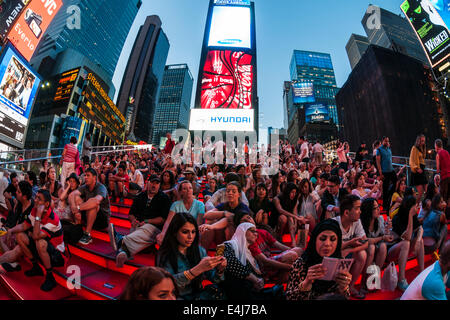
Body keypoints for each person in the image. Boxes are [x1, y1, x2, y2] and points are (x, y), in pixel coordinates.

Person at [0, 189, 67, 291]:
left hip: (57, 256)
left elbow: (36, 236)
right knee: (20, 236)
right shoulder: (35, 211)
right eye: (35, 197)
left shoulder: (54, 219)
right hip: (42, 250)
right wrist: (11, 231)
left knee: (40, 242)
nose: (35, 200)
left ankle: (50, 277)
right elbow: (24, 225)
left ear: (47, 204)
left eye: (39, 199)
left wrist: (38, 216)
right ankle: (36, 267)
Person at [156, 213, 226, 300]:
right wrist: (198, 269)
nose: (190, 237)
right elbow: (166, 285)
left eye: (193, 232)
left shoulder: (200, 251)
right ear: (174, 232)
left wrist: (220, 269)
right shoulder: (165, 254)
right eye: (185, 232)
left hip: (198, 296)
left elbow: (215, 279)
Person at [110, 174, 171, 267]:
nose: (154, 185)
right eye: (152, 183)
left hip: (156, 228)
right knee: (136, 227)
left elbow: (163, 219)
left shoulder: (164, 198)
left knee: (145, 227)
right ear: (148, 183)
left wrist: (147, 221)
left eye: (157, 183)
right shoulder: (140, 196)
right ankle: (125, 253)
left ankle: (121, 241)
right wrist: (133, 220)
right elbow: (131, 214)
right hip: (139, 226)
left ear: (159, 185)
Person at [286, 219, 352, 300]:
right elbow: (290, 298)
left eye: (332, 239)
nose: (327, 244)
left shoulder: (340, 263)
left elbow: (345, 297)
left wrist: (344, 287)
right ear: (314, 240)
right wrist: (306, 283)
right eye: (322, 239)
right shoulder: (301, 263)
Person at [234, 211, 301, 283]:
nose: (249, 221)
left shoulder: (262, 232)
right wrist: (290, 267)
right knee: (291, 255)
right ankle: (279, 283)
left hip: (271, 263)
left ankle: (281, 285)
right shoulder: (248, 240)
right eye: (244, 221)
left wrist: (293, 250)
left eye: (249, 218)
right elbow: (265, 261)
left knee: (298, 250)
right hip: (262, 268)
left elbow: (279, 245)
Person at [333, 195, 368, 299]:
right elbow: (330, 249)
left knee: (362, 254)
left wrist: (350, 249)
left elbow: (365, 243)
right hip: (333, 257)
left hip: (347, 254)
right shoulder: (334, 223)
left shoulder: (357, 222)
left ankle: (350, 286)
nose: (360, 211)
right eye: (357, 208)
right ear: (346, 213)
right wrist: (349, 243)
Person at [221, 222, 267, 300]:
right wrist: (254, 279)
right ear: (243, 231)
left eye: (256, 232)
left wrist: (259, 282)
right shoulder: (226, 245)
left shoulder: (250, 253)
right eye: (252, 231)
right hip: (232, 291)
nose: (256, 234)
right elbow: (231, 263)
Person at [200, 181, 251, 249]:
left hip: (239, 238)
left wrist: (212, 226)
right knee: (210, 224)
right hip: (222, 235)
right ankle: (202, 253)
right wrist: (223, 213)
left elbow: (228, 220)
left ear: (239, 194)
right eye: (228, 191)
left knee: (227, 227)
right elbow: (207, 215)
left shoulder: (243, 207)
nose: (230, 193)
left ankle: (230, 254)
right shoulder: (224, 205)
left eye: (233, 191)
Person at [68, 168, 111, 245]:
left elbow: (96, 201)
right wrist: (75, 210)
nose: (85, 177)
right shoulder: (85, 186)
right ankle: (78, 227)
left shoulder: (101, 187)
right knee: (76, 197)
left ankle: (87, 234)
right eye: (85, 175)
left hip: (102, 220)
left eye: (88, 175)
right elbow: (71, 195)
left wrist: (78, 208)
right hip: (89, 216)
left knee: (93, 203)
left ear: (94, 177)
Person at [359, 198, 394, 292]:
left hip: (376, 248)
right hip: (362, 248)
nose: (379, 209)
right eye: (375, 208)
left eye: (378, 207)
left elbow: (385, 236)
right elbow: (365, 241)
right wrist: (382, 238)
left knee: (382, 246)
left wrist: (388, 229)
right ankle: (364, 281)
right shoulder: (360, 222)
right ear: (368, 210)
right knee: (371, 247)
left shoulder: (380, 219)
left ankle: (374, 278)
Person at [391, 196, 425, 291]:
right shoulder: (397, 218)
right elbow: (408, 237)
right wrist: (410, 215)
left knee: (420, 240)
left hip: (404, 250)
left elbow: (420, 228)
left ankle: (422, 273)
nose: (417, 207)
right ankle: (401, 279)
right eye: (415, 205)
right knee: (406, 243)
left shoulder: (413, 217)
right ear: (410, 207)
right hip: (392, 249)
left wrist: (418, 241)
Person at [157, 180, 205, 245]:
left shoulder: (200, 204)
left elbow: (198, 224)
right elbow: (168, 221)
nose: (188, 190)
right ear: (180, 192)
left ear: (192, 190)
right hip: (179, 231)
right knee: (160, 237)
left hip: (193, 232)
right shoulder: (175, 205)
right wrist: (163, 233)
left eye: (190, 188)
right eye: (185, 189)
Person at [376, 137, 397, 214]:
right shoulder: (379, 150)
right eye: (385, 141)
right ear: (382, 141)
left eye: (388, 141)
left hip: (391, 170)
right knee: (385, 188)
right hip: (384, 172)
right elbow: (378, 162)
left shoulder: (388, 149)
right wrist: (380, 173)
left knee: (396, 182)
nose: (387, 142)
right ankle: (385, 205)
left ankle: (390, 195)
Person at [409, 134, 428, 201]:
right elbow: (411, 160)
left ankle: (425, 205)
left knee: (427, 190)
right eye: (422, 141)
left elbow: (423, 157)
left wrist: (424, 147)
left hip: (422, 171)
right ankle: (415, 205)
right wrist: (417, 168)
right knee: (420, 192)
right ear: (418, 141)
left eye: (424, 141)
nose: (423, 142)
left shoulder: (422, 148)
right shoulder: (414, 148)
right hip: (417, 171)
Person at [435, 139, 450, 206]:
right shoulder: (447, 152)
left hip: (444, 177)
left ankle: (442, 214)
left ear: (436, 146)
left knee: (443, 197)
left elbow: (438, 170)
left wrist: (438, 170)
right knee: (449, 197)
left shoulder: (438, 154)